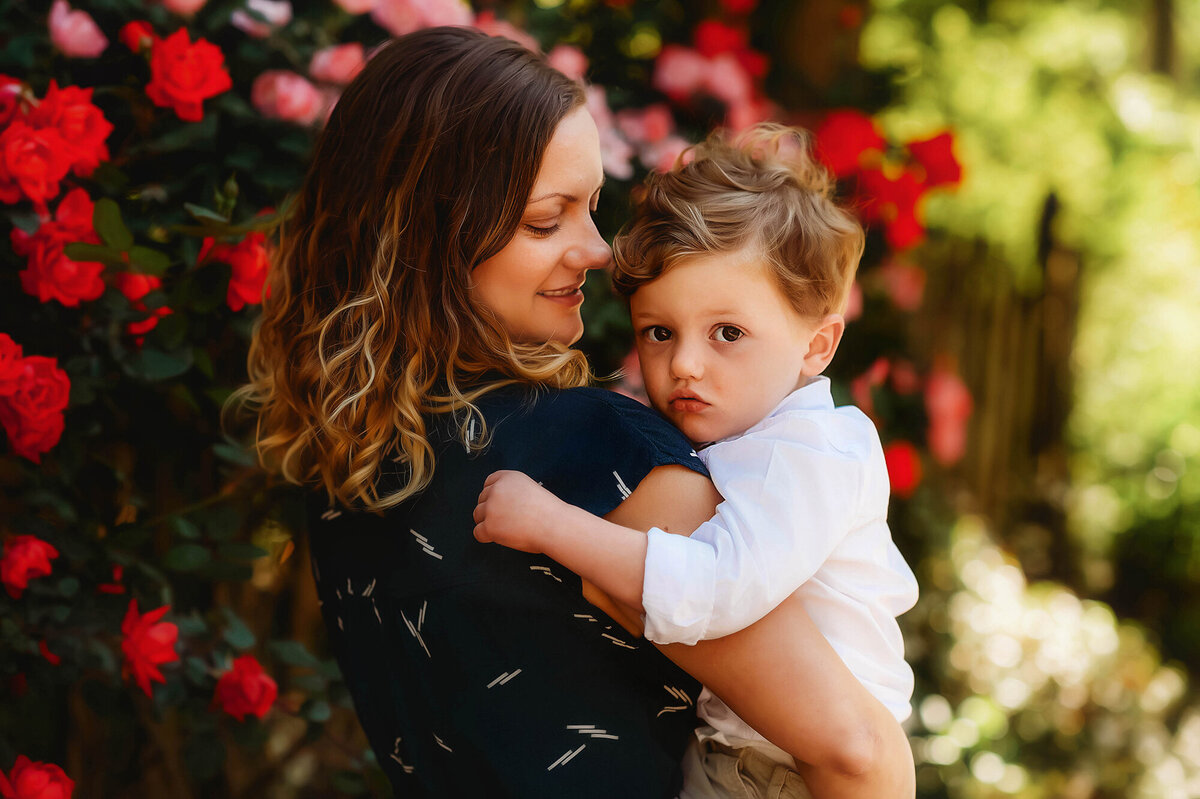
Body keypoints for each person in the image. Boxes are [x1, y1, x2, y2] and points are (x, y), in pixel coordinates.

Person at [230, 26, 913, 799]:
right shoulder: (596, 453)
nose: (596, 250)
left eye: (591, 208)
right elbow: (857, 752)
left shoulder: (349, 469)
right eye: (546, 220)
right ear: (436, 235)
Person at [473, 124, 919, 798]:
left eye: (728, 333)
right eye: (659, 331)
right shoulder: (754, 433)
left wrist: (552, 526)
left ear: (817, 345)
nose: (683, 363)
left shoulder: (806, 456)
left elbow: (715, 589)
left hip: (778, 776)